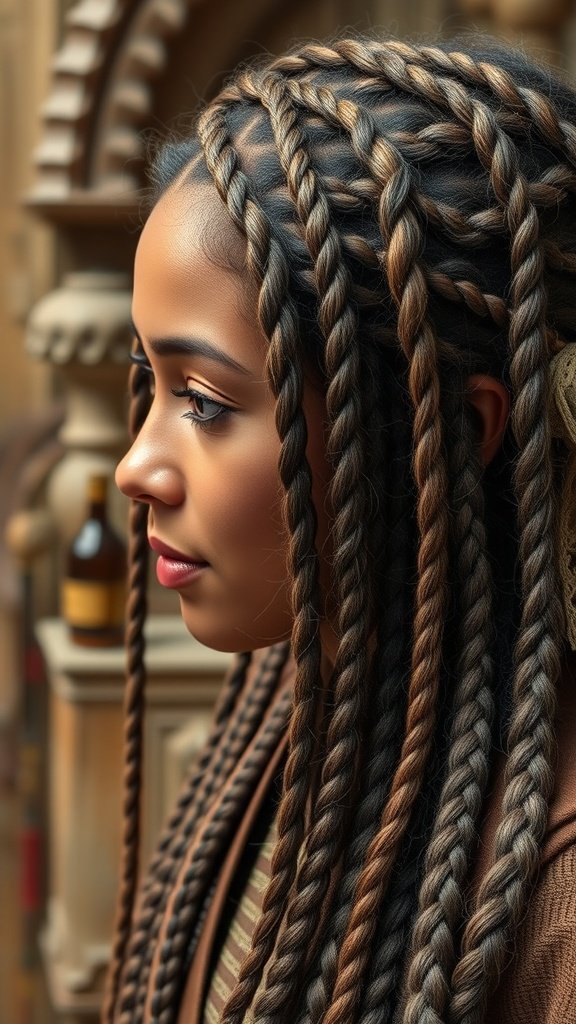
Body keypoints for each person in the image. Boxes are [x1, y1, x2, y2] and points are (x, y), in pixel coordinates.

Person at [107, 32, 576, 1024]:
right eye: (148, 382)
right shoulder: (306, 687)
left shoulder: (558, 911)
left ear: (449, 430)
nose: (134, 467)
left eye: (203, 401)